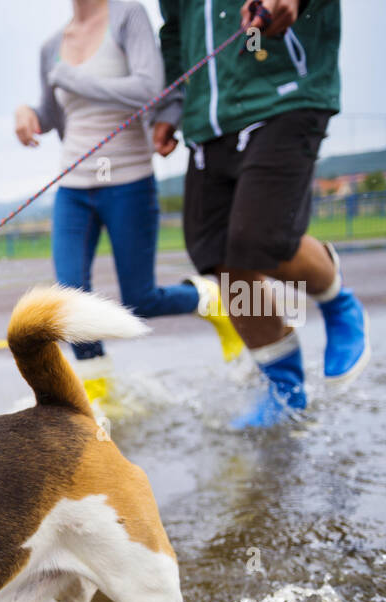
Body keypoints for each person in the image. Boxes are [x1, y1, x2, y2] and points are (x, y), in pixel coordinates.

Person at [15, 0, 243, 412]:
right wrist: (28, 113)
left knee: (142, 299)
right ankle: (98, 395)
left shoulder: (128, 16)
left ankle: (210, 299)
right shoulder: (51, 47)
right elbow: (50, 112)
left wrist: (71, 77)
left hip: (128, 180)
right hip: (73, 187)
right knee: (71, 299)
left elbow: (147, 89)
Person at [154, 0, 369, 428]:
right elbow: (176, 29)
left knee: (258, 240)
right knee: (216, 255)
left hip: (283, 94)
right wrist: (170, 107)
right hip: (208, 118)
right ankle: (285, 389)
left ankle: (336, 299)